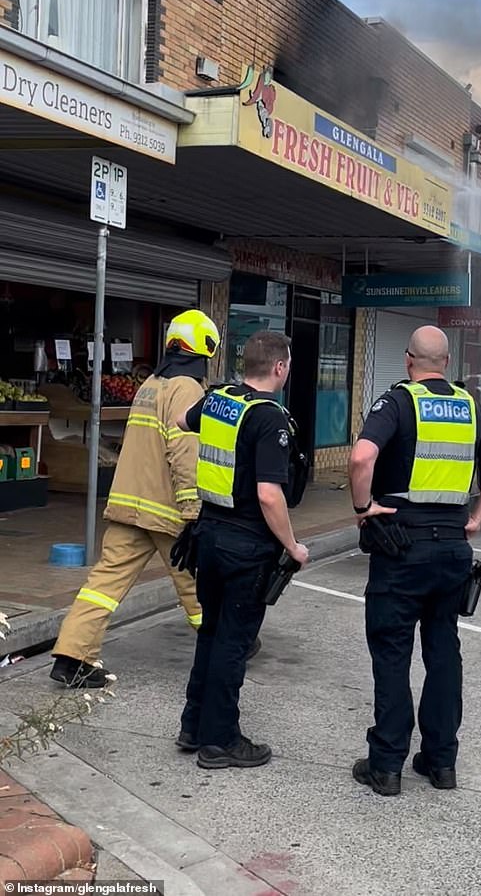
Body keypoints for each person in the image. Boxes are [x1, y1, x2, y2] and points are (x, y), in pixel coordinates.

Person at [348, 325, 481, 797]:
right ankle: (441, 763)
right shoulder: (468, 407)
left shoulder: (398, 402)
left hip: (402, 546)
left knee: (392, 654)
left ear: (408, 361)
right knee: (443, 653)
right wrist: (476, 517)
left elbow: (362, 459)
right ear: (445, 361)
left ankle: (386, 766)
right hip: (452, 550)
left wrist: (363, 510)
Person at [50, 310, 221, 689]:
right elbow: (185, 452)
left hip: (129, 505)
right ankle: (225, 647)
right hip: (167, 511)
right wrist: (194, 511)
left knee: (103, 584)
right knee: (196, 584)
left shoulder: (151, 385)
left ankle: (71, 656)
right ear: (205, 347)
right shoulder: (188, 389)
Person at [177, 330, 309, 770]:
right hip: (246, 543)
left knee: (211, 633)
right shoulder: (270, 417)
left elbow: (181, 421)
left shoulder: (219, 400)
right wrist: (292, 546)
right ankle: (220, 741)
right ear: (279, 367)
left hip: (208, 534)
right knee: (234, 642)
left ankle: (194, 726)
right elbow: (270, 495)